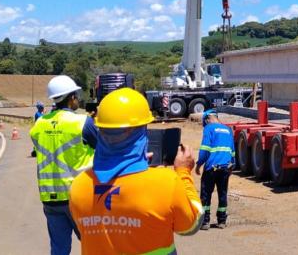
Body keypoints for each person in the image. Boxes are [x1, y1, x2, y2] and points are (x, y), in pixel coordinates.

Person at [69, 87, 203, 254]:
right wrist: (183, 172)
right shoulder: (166, 183)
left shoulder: (79, 185)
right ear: (141, 132)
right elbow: (191, 225)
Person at [30, 75, 95, 255]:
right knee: (93, 246)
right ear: (71, 97)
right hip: (78, 197)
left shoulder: (39, 124)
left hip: (50, 199)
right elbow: (103, 148)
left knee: (59, 250)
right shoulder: (82, 122)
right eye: (76, 95)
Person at [194, 109, 235, 230]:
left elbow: (205, 149)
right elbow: (232, 150)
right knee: (222, 194)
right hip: (225, 167)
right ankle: (222, 221)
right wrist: (233, 165)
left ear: (207, 119)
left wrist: (199, 164)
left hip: (211, 167)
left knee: (206, 194)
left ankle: (205, 222)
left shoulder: (209, 128)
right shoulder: (228, 130)